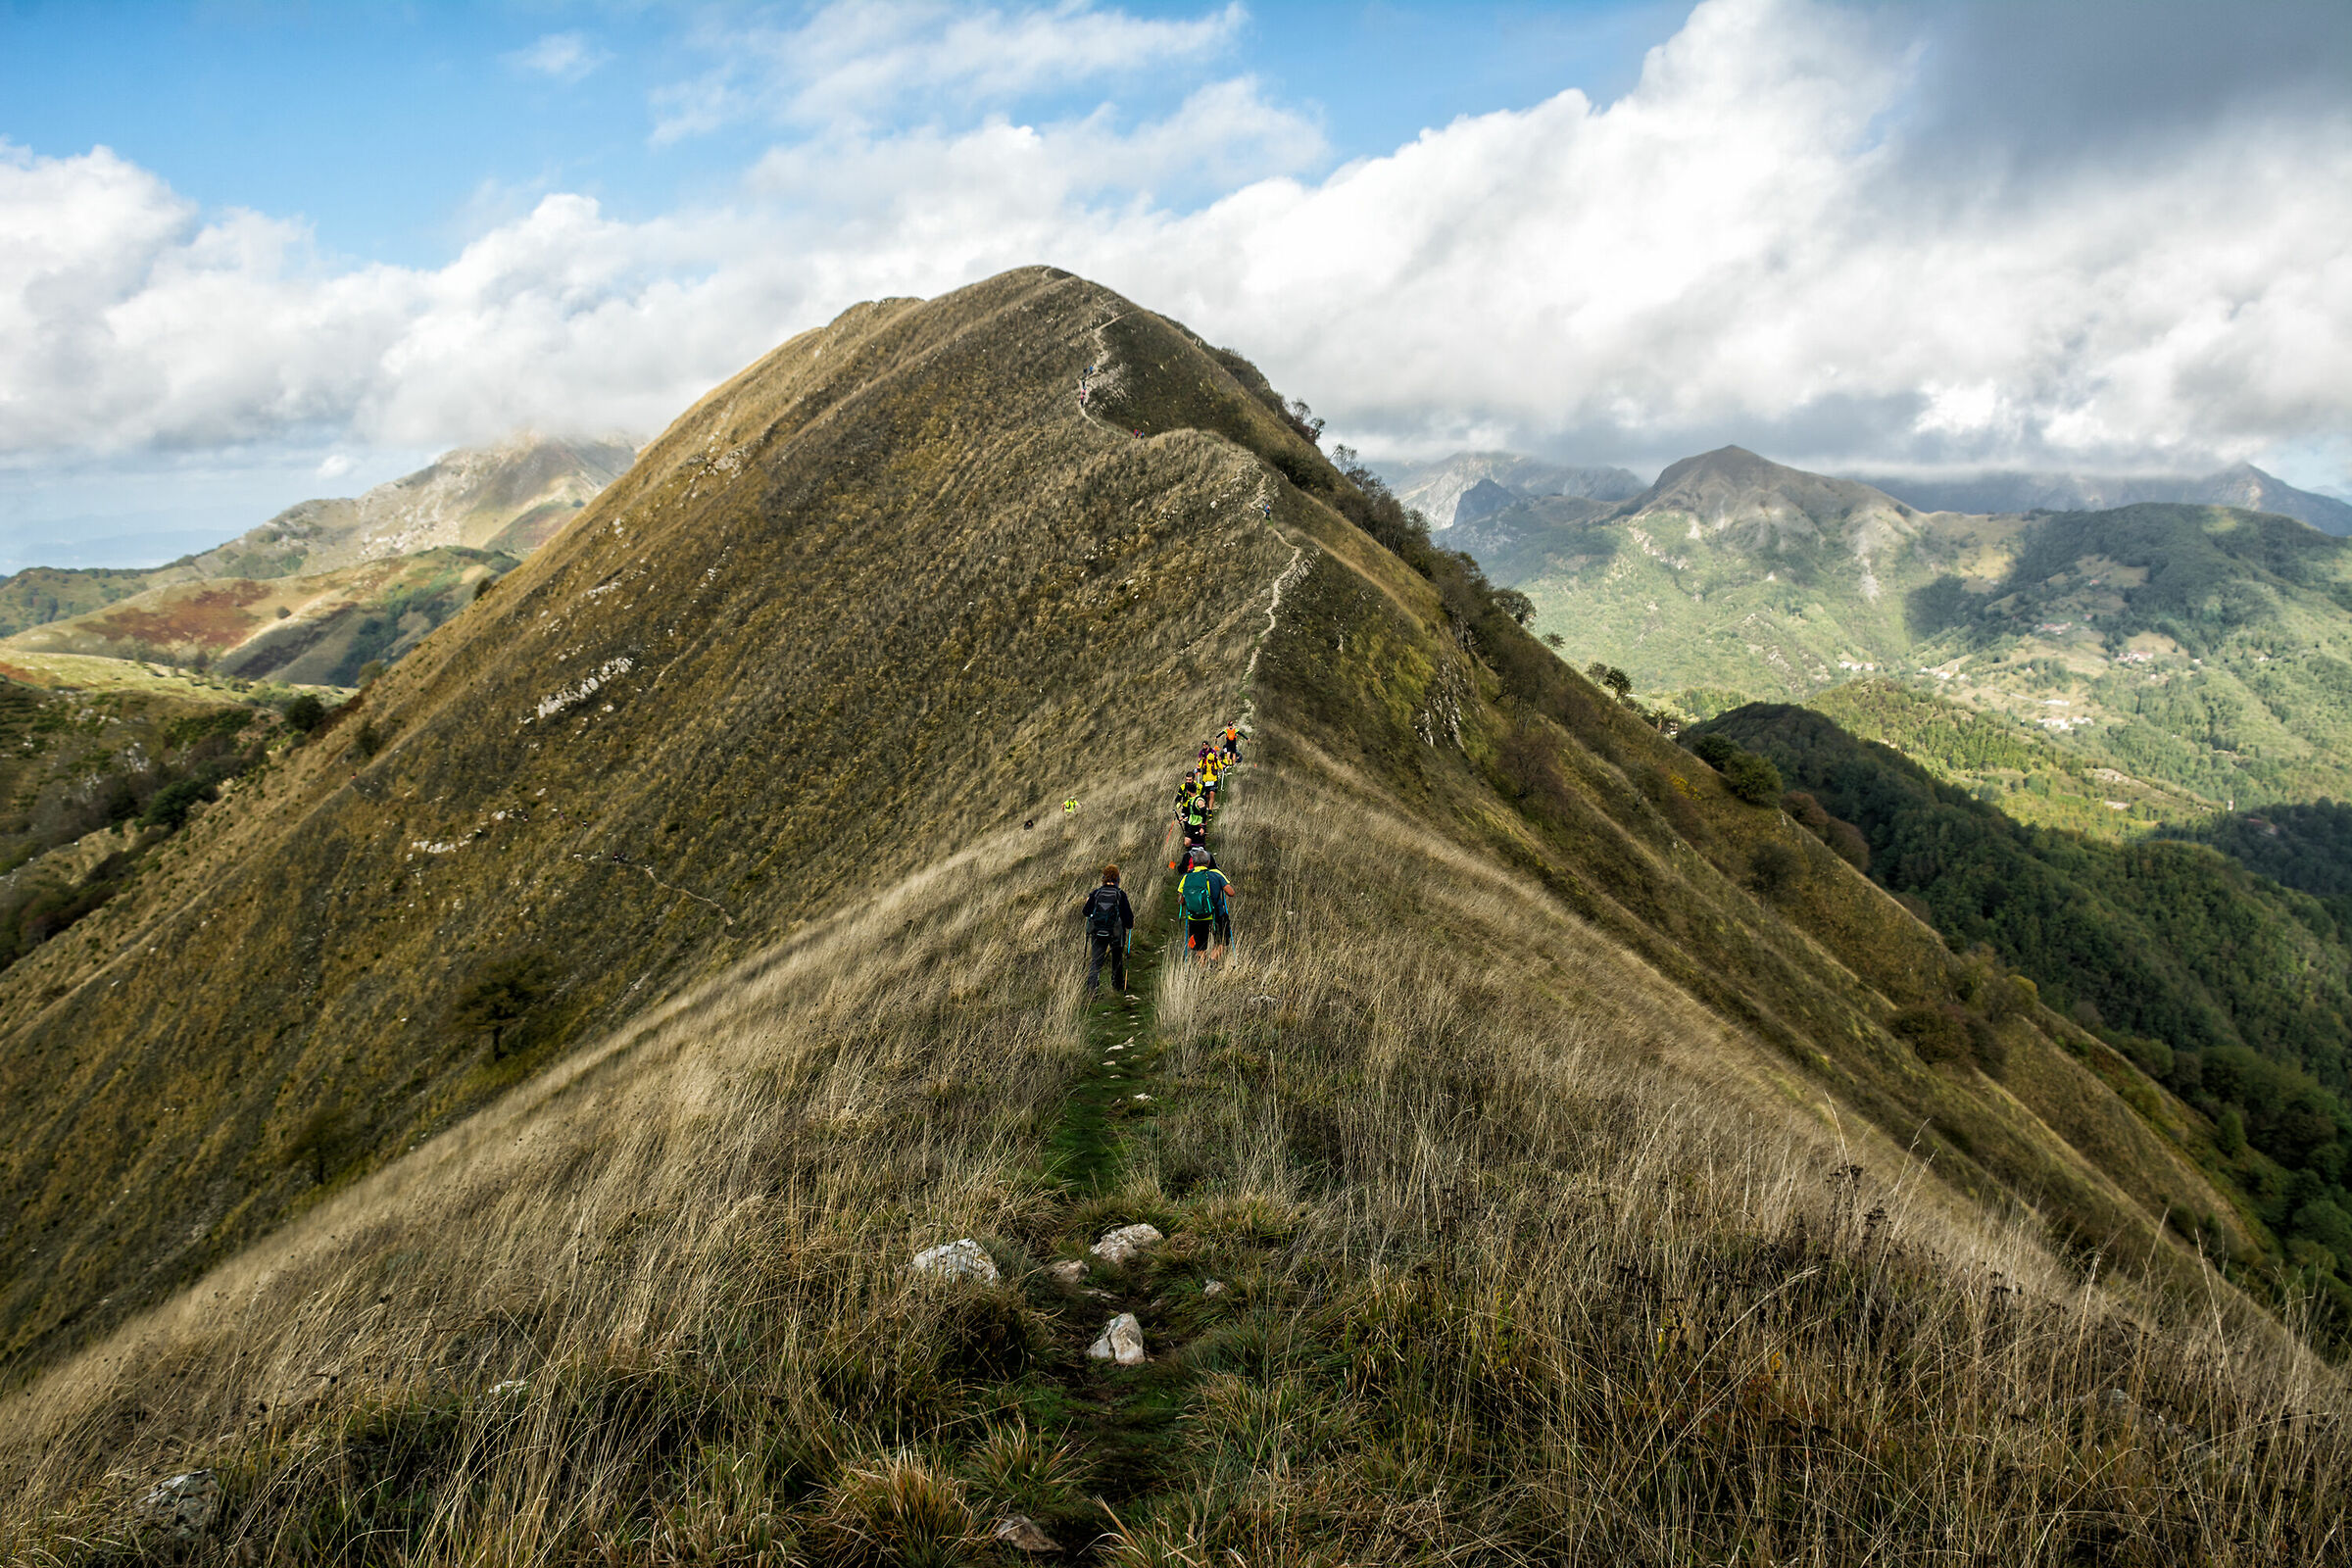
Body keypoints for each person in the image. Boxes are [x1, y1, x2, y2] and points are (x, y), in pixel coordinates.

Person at [1079, 864, 1136, 997]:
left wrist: (1088, 902)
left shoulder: (1096, 893)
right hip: (1116, 932)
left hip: (1097, 932)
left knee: (1096, 961)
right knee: (1117, 958)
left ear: (1103, 878)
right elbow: (1128, 920)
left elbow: (1086, 912)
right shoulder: (1120, 894)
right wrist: (1129, 924)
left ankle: (1091, 990)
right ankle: (1117, 986)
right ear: (1118, 878)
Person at [1178, 847, 1233, 966]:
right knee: (1222, 940)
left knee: (1200, 946)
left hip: (1195, 917)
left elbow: (1181, 901)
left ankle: (1203, 966)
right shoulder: (1216, 874)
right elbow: (1231, 892)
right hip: (1216, 914)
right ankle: (1213, 962)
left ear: (1194, 862)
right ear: (1208, 862)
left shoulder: (1186, 877)